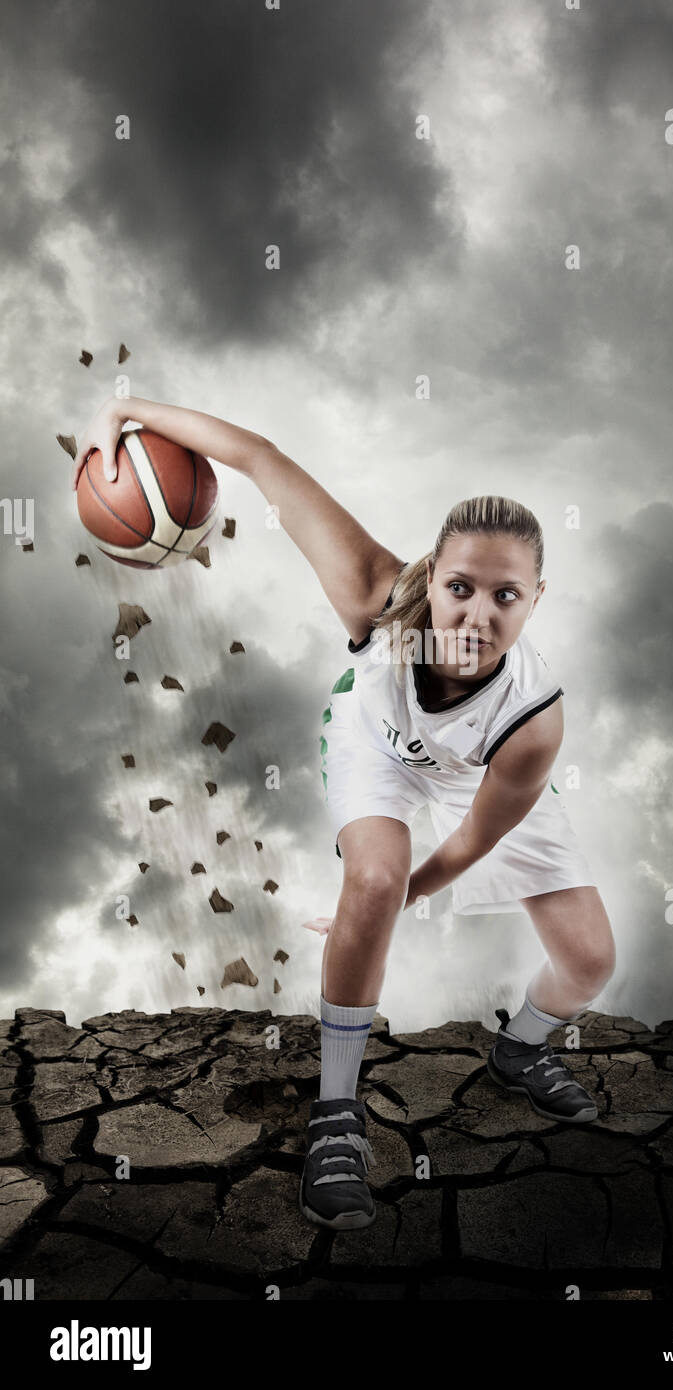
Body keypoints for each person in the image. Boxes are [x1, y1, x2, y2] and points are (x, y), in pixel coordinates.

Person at [72, 397, 616, 1232]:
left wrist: (409, 898)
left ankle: (520, 1048)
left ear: (537, 599)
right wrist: (126, 409)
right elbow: (259, 458)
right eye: (460, 587)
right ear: (432, 575)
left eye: (505, 596)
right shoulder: (373, 593)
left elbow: (474, 836)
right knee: (374, 874)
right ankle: (336, 1116)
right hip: (378, 741)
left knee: (588, 962)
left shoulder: (533, 723)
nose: (476, 615)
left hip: (477, 776)